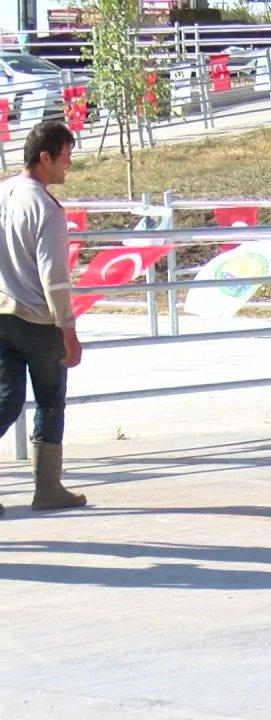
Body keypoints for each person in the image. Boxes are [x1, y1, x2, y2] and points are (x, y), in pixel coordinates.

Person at [0, 120, 86, 515]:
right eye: (64, 156)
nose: (68, 164)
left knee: (7, 400)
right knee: (50, 402)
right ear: (44, 157)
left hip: (2, 313)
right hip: (37, 319)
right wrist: (67, 327)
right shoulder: (47, 209)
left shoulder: (4, 193)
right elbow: (55, 276)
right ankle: (47, 488)